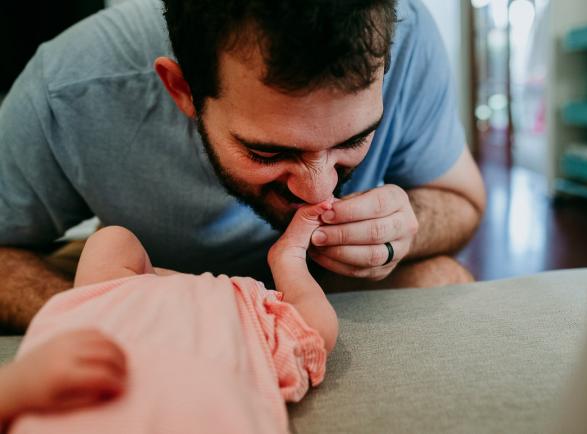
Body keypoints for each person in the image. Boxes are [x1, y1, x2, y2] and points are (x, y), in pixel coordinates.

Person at [0, 0, 486, 332]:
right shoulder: (70, 88)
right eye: (269, 152)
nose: (318, 192)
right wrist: (120, 315)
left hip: (330, 283)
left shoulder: (407, 35)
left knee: (444, 279)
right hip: (150, 285)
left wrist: (405, 228)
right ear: (183, 90)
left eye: (354, 139)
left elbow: (463, 200)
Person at [0, 201, 337, 434]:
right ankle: (287, 258)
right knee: (318, 330)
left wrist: (21, 383)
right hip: (246, 328)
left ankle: (156, 281)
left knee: (110, 242)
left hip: (111, 309)